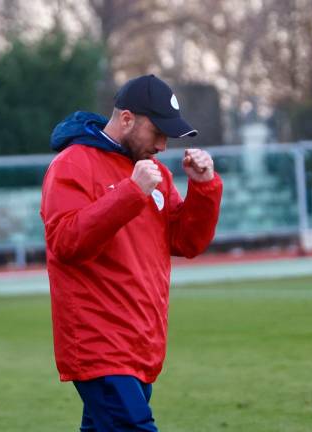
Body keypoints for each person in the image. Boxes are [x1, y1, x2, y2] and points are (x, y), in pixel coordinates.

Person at [40, 74, 223, 431]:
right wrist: (130, 193)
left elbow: (186, 242)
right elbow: (65, 242)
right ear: (126, 119)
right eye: (157, 132)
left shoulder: (153, 174)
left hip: (140, 341)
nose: (163, 145)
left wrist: (203, 189)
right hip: (100, 344)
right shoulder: (72, 165)